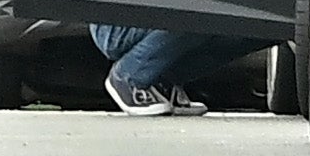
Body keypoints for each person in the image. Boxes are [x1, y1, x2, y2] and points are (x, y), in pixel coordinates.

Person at [86, 24, 239, 118]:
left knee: (256, 20)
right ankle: (131, 77)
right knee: (205, 5)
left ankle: (160, 79)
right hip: (117, 24)